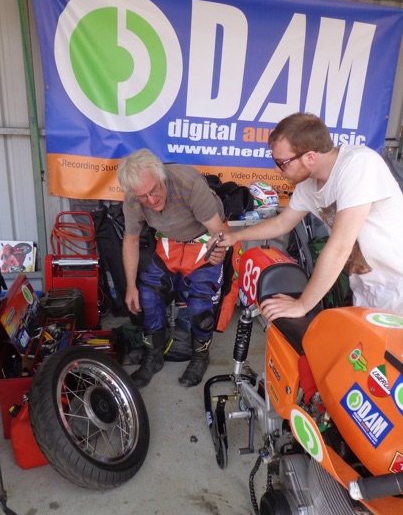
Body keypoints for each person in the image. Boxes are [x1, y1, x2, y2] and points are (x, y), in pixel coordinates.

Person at [218, 112, 403, 319]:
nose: (277, 170)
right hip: (368, 289)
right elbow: (282, 222)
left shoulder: (359, 164)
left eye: (282, 162)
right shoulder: (309, 184)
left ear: (310, 157)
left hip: (398, 287)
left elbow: (340, 247)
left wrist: (302, 305)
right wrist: (235, 237)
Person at [117, 149, 228, 389]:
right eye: (143, 196)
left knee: (200, 305)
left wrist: (220, 250)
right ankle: (153, 357)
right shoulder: (134, 198)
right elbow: (131, 240)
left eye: (154, 190)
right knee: (147, 296)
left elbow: (219, 231)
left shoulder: (188, 183)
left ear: (162, 177)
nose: (151, 200)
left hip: (204, 237)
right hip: (170, 239)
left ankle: (200, 357)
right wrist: (130, 287)